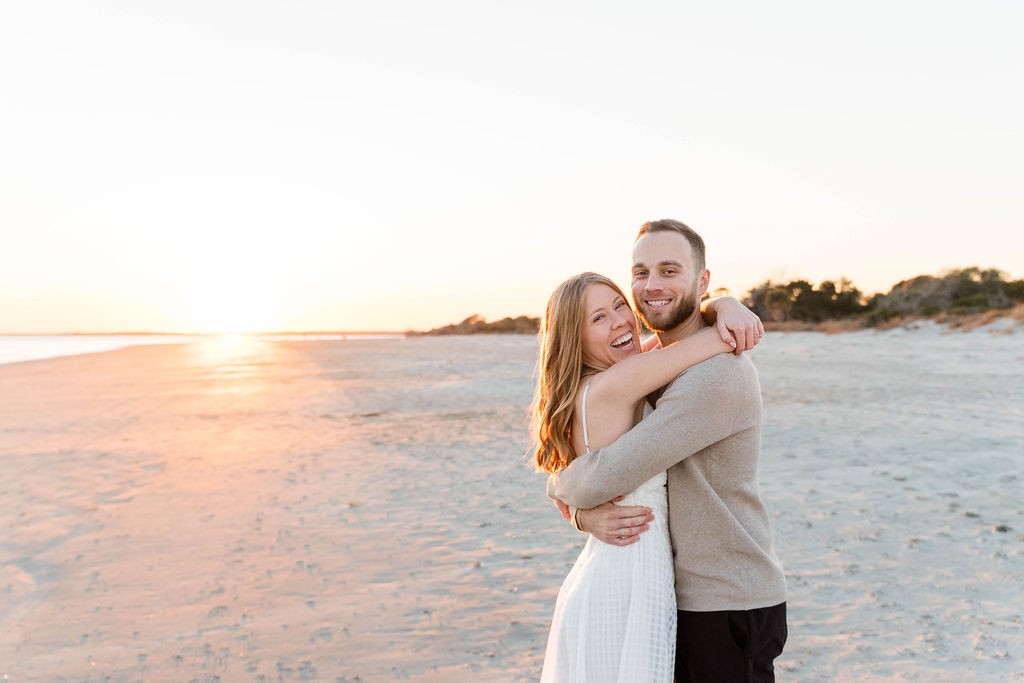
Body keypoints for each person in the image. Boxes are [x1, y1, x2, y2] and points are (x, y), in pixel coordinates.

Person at [548, 219, 788, 682]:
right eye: (640, 273)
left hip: (725, 597)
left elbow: (603, 474)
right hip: (681, 592)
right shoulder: (650, 359)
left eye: (669, 270)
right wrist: (580, 514)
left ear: (702, 281)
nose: (651, 286)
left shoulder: (715, 376)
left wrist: (560, 486)